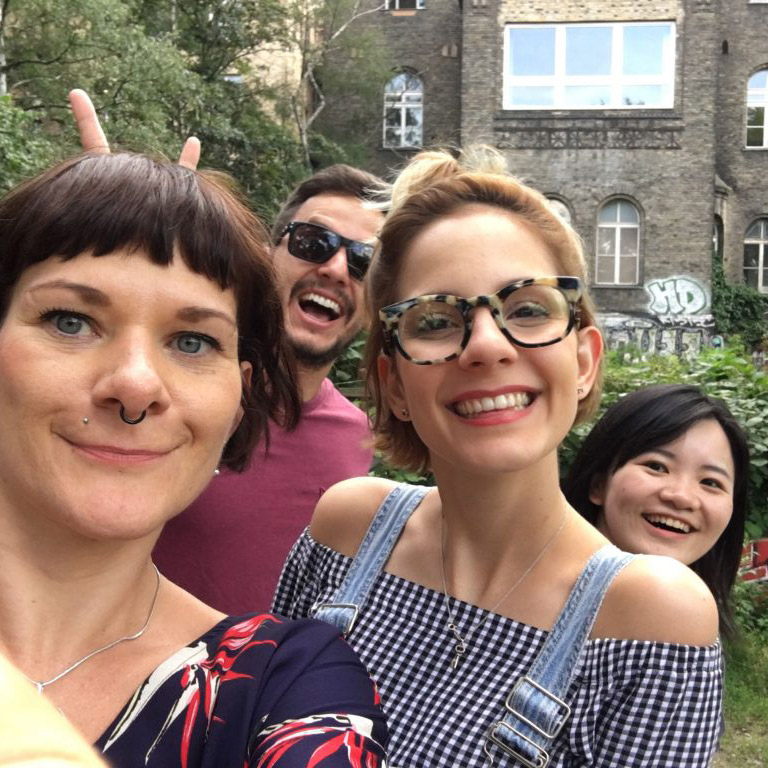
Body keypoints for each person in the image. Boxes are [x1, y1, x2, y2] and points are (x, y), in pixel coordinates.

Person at [273, 148, 723, 766]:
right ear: (394, 383)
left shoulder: (651, 617)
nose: (486, 345)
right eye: (435, 320)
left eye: (529, 310)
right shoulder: (346, 531)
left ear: (584, 361)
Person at [0, 151, 388, 766]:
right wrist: (124, 201)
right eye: (71, 321)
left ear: (237, 403)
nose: (136, 385)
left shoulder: (292, 687)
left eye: (191, 341)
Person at [69, 89, 383, 613]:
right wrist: (120, 252)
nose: (333, 269)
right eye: (312, 243)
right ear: (265, 257)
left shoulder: (357, 438)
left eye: (363, 262)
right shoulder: (158, 393)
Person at [562, 383, 749, 637]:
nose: (682, 498)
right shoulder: (521, 593)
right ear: (599, 484)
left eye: (710, 482)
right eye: (656, 466)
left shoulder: (690, 629)